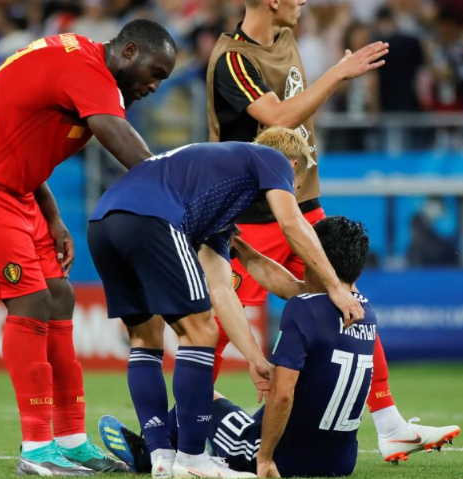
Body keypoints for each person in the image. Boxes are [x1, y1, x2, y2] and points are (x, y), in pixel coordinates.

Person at [0, 19, 177, 476]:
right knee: (32, 300)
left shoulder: (83, 67)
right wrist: (180, 190)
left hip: (16, 190)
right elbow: (116, 135)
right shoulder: (87, 70)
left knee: (60, 297)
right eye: (155, 72)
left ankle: (72, 440)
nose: (155, 86)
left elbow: (18, 130)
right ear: (129, 51)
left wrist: (52, 213)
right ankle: (37, 449)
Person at [206, 0, 455, 462]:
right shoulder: (233, 60)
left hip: (302, 202)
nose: (303, 2)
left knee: (349, 300)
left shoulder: (286, 38)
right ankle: (184, 434)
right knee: (215, 328)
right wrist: (339, 74)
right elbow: (278, 117)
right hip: (252, 213)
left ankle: (391, 425)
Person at [87, 127, 365, 479]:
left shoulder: (215, 198)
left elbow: (222, 289)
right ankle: (192, 458)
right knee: (201, 332)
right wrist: (335, 286)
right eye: (299, 182)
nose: (296, 189)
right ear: (293, 165)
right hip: (152, 219)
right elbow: (292, 223)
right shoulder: (272, 157)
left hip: (102, 222)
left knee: (145, 338)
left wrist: (255, 358)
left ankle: (160, 455)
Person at [98, 217, 461, 477]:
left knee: (202, 394)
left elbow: (282, 395)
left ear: (316, 255)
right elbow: (283, 282)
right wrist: (237, 246)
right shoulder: (365, 311)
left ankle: (154, 453)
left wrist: (264, 459)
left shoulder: (302, 309)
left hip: (284, 458)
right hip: (341, 463)